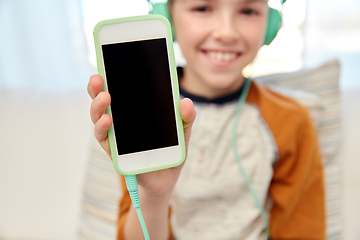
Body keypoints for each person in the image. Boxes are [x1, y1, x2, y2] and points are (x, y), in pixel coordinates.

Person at [87, 0, 326, 239]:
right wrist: (155, 196)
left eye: (248, 11)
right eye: (202, 8)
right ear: (168, 16)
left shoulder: (293, 121)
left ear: (271, 24)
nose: (226, 33)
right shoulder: (141, 113)